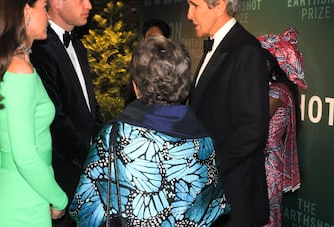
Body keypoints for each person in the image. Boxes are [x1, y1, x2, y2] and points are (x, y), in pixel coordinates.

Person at [70, 35, 230, 226]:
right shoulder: (205, 141)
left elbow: (84, 205)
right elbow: (214, 210)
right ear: (185, 88)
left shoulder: (115, 135)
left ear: (136, 87)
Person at [0, 0, 68, 227]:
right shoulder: (19, 69)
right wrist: (59, 199)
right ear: (26, 12)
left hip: (22, 196)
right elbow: (24, 155)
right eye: (44, 7)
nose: (48, 15)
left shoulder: (17, 63)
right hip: (21, 205)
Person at [186, 0, 270, 226]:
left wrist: (206, 167)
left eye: (194, 6)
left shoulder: (246, 51)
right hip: (216, 194)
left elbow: (252, 129)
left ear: (219, 6)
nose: (189, 15)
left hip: (235, 196)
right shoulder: (216, 46)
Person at [30, 0, 103, 226]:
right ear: (57, 1)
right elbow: (54, 118)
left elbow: (88, 106)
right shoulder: (39, 48)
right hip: (60, 174)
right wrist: (91, 158)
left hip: (82, 172)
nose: (89, 5)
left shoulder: (78, 46)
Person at [257, 27, 307, 227]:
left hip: (269, 166)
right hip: (266, 163)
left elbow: (256, 120)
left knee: (267, 217)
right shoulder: (276, 90)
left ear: (269, 63)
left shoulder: (277, 92)